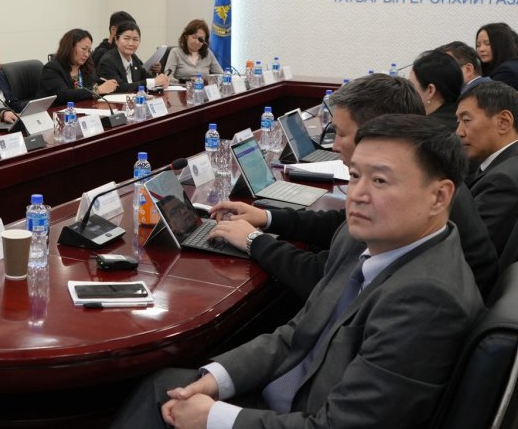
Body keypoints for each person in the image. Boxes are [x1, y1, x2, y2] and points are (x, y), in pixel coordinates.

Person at [114, 114, 485, 429]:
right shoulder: (364, 240)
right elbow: (297, 334)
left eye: (380, 181)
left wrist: (215, 418)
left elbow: (339, 425)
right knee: (163, 386)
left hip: (309, 415)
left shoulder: (428, 298)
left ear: (439, 196)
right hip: (290, 397)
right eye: (355, 175)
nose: (357, 194)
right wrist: (216, 380)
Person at [207, 74, 497, 301]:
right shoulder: (422, 172)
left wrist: (253, 240)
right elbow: (342, 224)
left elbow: (326, 277)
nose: (334, 145)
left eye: (341, 133)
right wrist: (267, 217)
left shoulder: (416, 197)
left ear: (377, 132)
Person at [457, 81, 518, 252]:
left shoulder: (504, 181)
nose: (459, 132)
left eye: (466, 120)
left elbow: (466, 247)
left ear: (504, 122)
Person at [40, 29, 119, 105]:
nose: (87, 54)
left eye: (89, 50)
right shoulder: (52, 68)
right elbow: (63, 95)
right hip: (56, 112)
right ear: (70, 47)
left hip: (82, 110)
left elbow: (93, 85)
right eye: (83, 49)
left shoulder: (86, 66)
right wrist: (97, 90)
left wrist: (109, 85)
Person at [96, 21, 169, 93]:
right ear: (116, 40)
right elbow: (119, 88)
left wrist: (161, 81)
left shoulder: (134, 58)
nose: (131, 43)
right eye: (126, 38)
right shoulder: (108, 61)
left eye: (135, 39)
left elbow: (146, 77)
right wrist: (153, 82)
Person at [408, 49, 463, 130]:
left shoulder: (425, 129)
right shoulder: (464, 118)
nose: (407, 91)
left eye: (411, 86)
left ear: (430, 91)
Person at [475, 22, 518, 95]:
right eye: (478, 45)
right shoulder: (513, 63)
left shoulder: (507, 71)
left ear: (501, 44)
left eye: (487, 44)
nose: (481, 49)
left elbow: (485, 98)